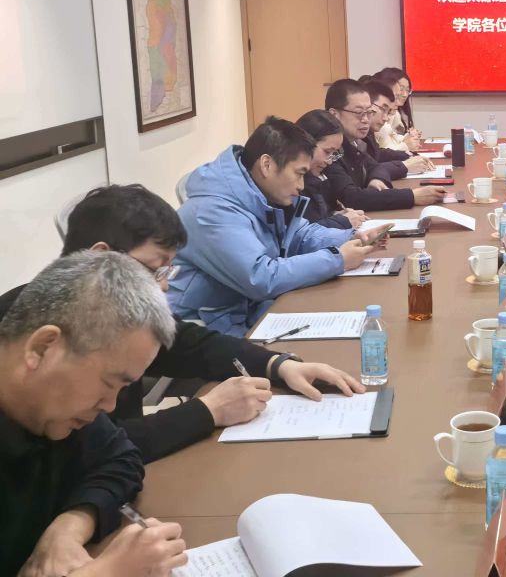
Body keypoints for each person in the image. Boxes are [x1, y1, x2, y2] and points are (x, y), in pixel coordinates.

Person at [0, 184, 368, 464]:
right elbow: (87, 451)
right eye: (153, 269)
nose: (163, 285)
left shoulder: (118, 314)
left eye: (167, 271)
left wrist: (278, 365)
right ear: (102, 257)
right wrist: (208, 411)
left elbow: (190, 343)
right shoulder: (35, 329)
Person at [1, 251, 187, 577]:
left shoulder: (55, 407)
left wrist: (68, 528)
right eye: (109, 383)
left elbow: (120, 459)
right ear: (43, 348)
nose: (110, 406)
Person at [167, 117, 386, 336]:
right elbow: (261, 278)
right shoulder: (212, 211)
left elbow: (300, 234)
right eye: (299, 173)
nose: (301, 185)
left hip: (244, 313)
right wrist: (338, 260)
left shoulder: (258, 193)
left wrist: (351, 237)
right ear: (267, 165)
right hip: (200, 330)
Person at [323, 79, 445, 211]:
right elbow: (351, 198)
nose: (366, 120)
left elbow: (375, 166)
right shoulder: (327, 149)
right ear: (334, 114)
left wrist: (376, 179)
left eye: (369, 112)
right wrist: (412, 196)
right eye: (359, 113)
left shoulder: (355, 142)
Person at [295, 110, 370, 230]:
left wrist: (336, 215)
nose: (329, 161)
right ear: (305, 144)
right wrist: (341, 221)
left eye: (334, 153)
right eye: (327, 152)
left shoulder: (319, 176)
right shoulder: (291, 184)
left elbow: (318, 217)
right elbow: (300, 232)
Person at [363, 80, 434, 178]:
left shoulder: (369, 130)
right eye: (396, 95)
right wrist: (404, 165)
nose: (402, 96)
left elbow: (378, 154)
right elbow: (365, 171)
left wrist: (409, 155)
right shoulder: (359, 132)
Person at [374, 68, 421, 152]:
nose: (404, 95)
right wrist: (406, 145)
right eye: (401, 90)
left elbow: (393, 137)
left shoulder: (395, 113)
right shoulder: (376, 116)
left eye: (407, 90)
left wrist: (408, 137)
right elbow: (384, 150)